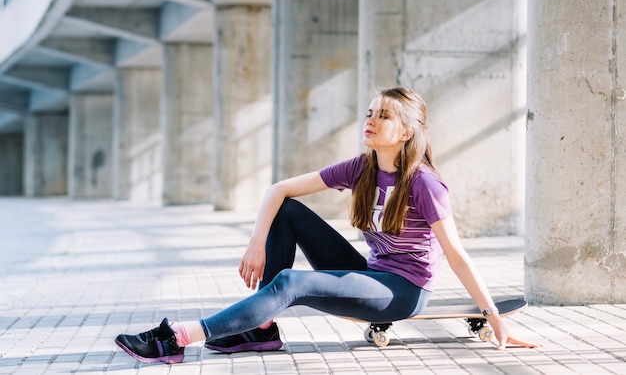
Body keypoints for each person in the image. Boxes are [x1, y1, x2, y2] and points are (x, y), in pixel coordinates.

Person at [115, 87, 541, 364]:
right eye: (370, 112)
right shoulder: (362, 167)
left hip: (402, 291)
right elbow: (278, 188)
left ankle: (179, 338)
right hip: (371, 272)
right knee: (288, 209)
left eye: (384, 117)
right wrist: (256, 241)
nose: (370, 121)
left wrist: (492, 316)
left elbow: (457, 255)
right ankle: (260, 329)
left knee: (290, 283)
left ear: (408, 131)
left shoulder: (425, 184)